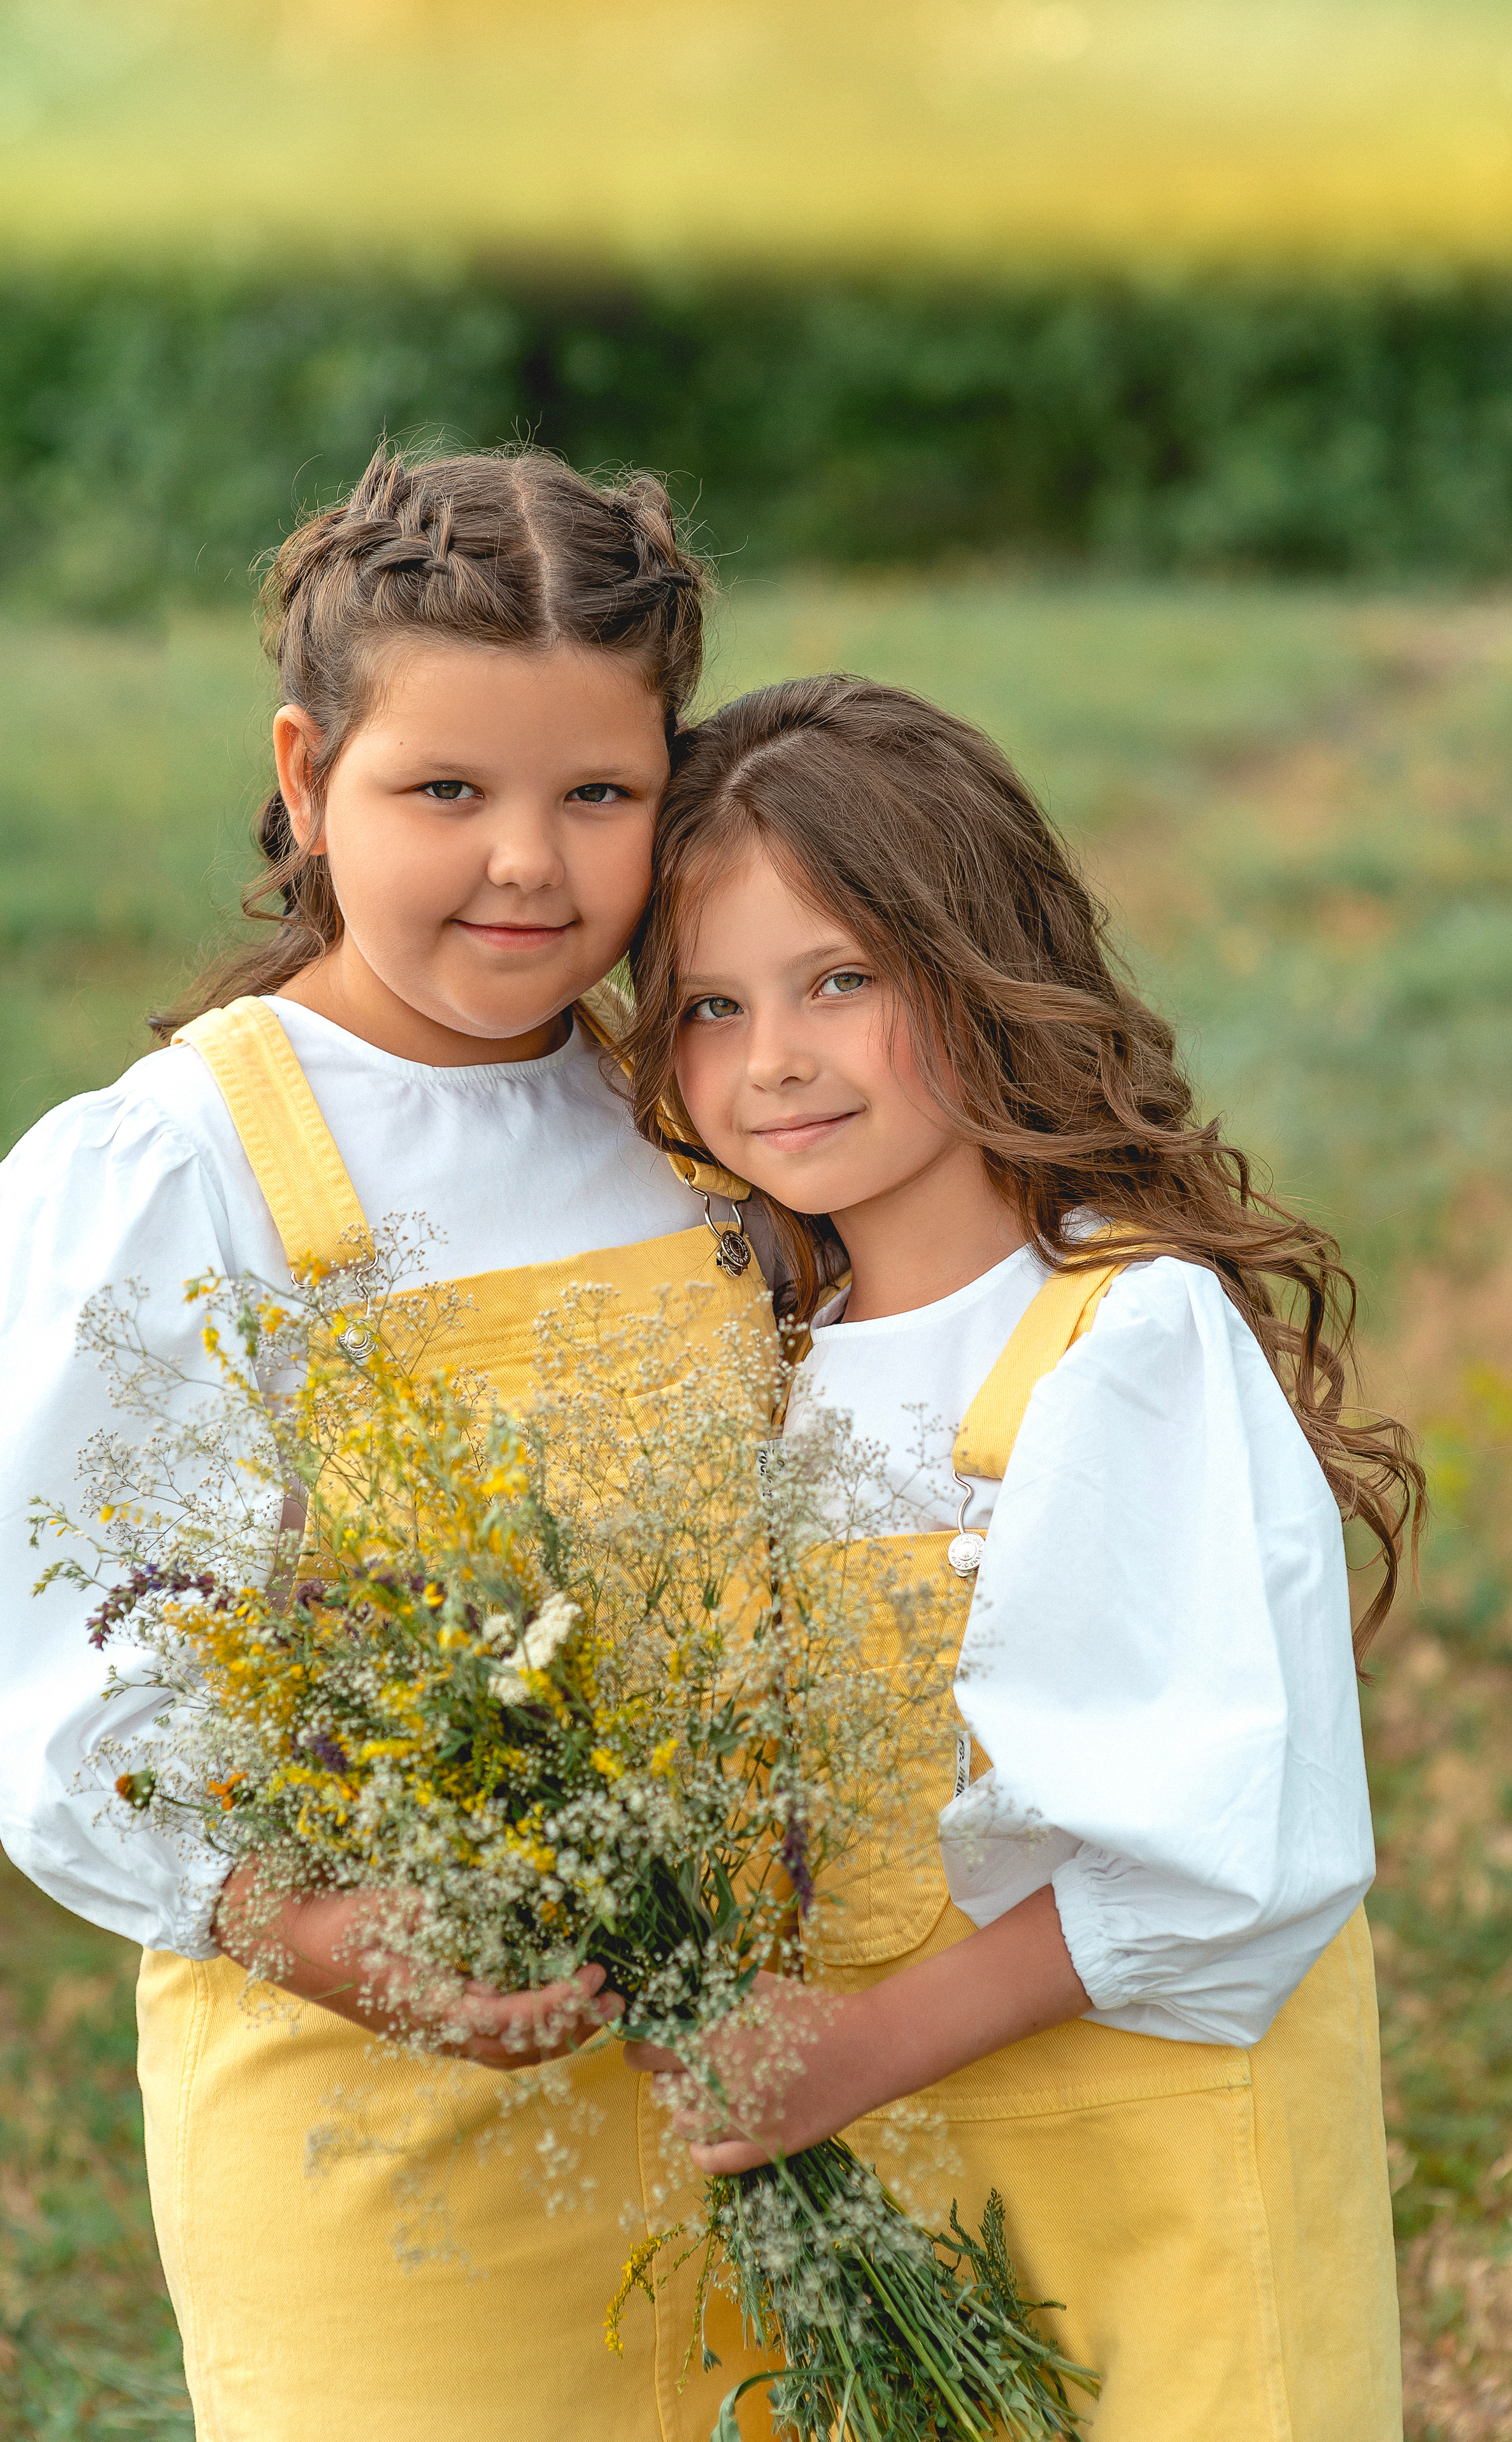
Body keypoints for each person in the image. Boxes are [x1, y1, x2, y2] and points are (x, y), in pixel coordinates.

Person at [0, 445, 777, 2442]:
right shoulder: (177, 1168)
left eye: (600, 795)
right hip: (376, 2109)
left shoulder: (694, 1113)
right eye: (446, 792)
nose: (529, 863)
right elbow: (85, 1690)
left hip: (746, 2085)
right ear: (309, 777)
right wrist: (331, 1934)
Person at [617, 674, 1421, 2441]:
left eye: (840, 980)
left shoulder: (1119, 1337)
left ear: (977, 963)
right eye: (712, 1006)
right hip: (919, 2175)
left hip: (1159, 2156)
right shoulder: (765, 1376)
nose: (774, 1058)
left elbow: (1220, 1858)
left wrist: (847, 2054)